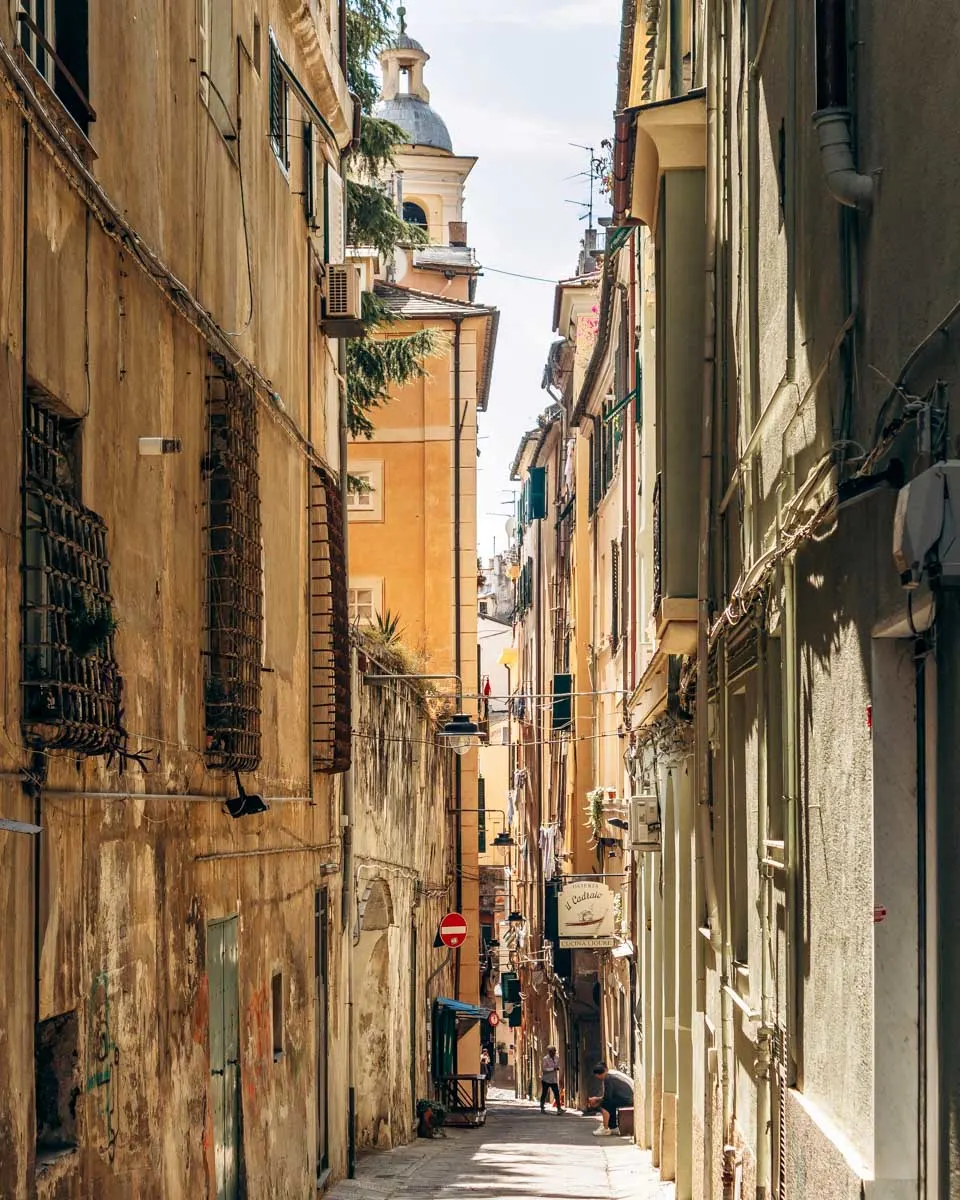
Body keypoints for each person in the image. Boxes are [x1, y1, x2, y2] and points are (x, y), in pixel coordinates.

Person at [587, 1061, 633, 1136]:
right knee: (609, 1103)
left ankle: (605, 1128)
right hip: (628, 1096)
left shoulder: (608, 1078)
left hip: (628, 1098)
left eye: (597, 1076)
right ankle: (612, 1127)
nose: (598, 1078)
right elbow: (609, 1096)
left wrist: (596, 1103)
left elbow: (607, 1097)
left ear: (599, 1074)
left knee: (605, 1104)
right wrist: (597, 1099)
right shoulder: (611, 1074)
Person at [539, 1045, 563, 1113]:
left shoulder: (557, 1058)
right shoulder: (545, 1059)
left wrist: (557, 1068)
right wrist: (552, 1069)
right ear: (549, 1052)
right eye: (552, 1052)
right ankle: (542, 1107)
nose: (554, 1053)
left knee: (556, 1093)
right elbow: (544, 1069)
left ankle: (559, 1108)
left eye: (554, 1051)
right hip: (546, 1079)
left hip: (553, 1079)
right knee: (544, 1093)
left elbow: (557, 1066)